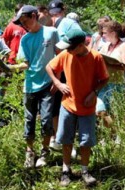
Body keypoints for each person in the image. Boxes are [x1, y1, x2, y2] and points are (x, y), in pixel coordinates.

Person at [46, 29, 109, 186]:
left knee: (86, 141)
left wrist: (94, 93)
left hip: (87, 107)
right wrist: (58, 82)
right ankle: (66, 170)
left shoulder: (96, 57)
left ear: (81, 45)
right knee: (66, 139)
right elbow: (49, 67)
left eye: (70, 47)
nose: (67, 50)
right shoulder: (66, 54)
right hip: (68, 105)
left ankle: (85, 171)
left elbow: (104, 79)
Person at [15, 5, 59, 168]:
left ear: (34, 15)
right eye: (22, 23)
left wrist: (57, 79)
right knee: (29, 120)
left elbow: (60, 56)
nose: (24, 25)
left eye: (26, 21)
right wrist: (9, 68)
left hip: (48, 83)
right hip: (30, 84)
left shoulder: (51, 32)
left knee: (47, 119)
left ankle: (45, 152)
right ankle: (29, 152)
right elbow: (25, 64)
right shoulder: (25, 39)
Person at [48, 0, 82, 152]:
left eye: (57, 12)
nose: (55, 15)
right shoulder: (51, 26)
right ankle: (58, 139)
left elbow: (79, 42)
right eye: (52, 13)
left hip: (68, 72)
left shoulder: (69, 23)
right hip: (56, 71)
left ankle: (71, 143)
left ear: (63, 10)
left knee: (71, 106)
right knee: (56, 107)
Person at [97, 21, 125, 129]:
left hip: (117, 84)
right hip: (103, 83)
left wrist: (109, 65)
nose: (103, 35)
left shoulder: (123, 46)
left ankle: (116, 137)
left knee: (116, 113)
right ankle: (111, 133)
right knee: (100, 110)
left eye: (105, 33)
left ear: (113, 33)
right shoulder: (105, 45)